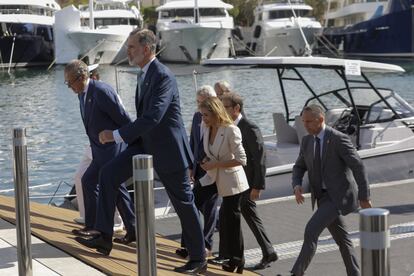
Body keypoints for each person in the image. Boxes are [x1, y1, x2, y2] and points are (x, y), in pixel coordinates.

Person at [77, 29, 207, 274]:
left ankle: (199, 258)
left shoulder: (163, 76)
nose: (128, 51)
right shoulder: (143, 75)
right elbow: (144, 119)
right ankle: (104, 236)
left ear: (147, 49)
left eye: (132, 47)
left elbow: (153, 117)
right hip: (144, 146)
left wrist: (115, 135)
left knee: (183, 205)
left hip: (168, 150)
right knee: (108, 174)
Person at [290, 105, 372, 276]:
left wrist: (364, 196)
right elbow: (299, 166)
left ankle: (296, 273)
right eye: (303, 121)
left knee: (311, 230)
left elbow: (358, 167)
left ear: (321, 120)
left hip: (338, 196)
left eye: (308, 122)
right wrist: (296, 184)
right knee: (343, 240)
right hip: (322, 198)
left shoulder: (338, 139)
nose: (305, 125)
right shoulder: (307, 140)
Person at [63, 60, 136, 241]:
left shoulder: (102, 91)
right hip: (98, 150)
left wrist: (116, 137)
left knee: (114, 187)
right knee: (89, 181)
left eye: (70, 82)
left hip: (112, 149)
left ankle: (128, 229)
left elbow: (124, 120)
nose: (69, 86)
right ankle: (94, 226)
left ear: (81, 77)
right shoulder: (82, 94)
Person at [221, 92, 278, 270]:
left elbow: (260, 158)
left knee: (230, 215)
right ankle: (267, 252)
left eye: (226, 107)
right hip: (236, 182)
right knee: (247, 217)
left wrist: (258, 186)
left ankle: (233, 256)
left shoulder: (249, 127)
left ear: (237, 108)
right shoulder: (228, 126)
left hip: (247, 183)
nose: (222, 110)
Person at [198, 96, 249, 274]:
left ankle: (237, 260)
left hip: (233, 182)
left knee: (231, 223)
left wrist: (215, 164)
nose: (202, 118)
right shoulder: (205, 127)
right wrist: (206, 161)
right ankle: (201, 250)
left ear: (215, 112)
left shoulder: (230, 130)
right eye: (201, 115)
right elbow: (211, 152)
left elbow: (242, 159)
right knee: (194, 203)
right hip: (212, 178)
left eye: (205, 115)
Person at [176, 85, 219, 259]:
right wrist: (191, 166)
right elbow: (193, 142)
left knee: (209, 210)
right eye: (197, 102)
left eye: (202, 103)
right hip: (198, 168)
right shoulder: (196, 117)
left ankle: (206, 246)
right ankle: (187, 245)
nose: (199, 106)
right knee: (191, 206)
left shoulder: (217, 120)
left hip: (213, 170)